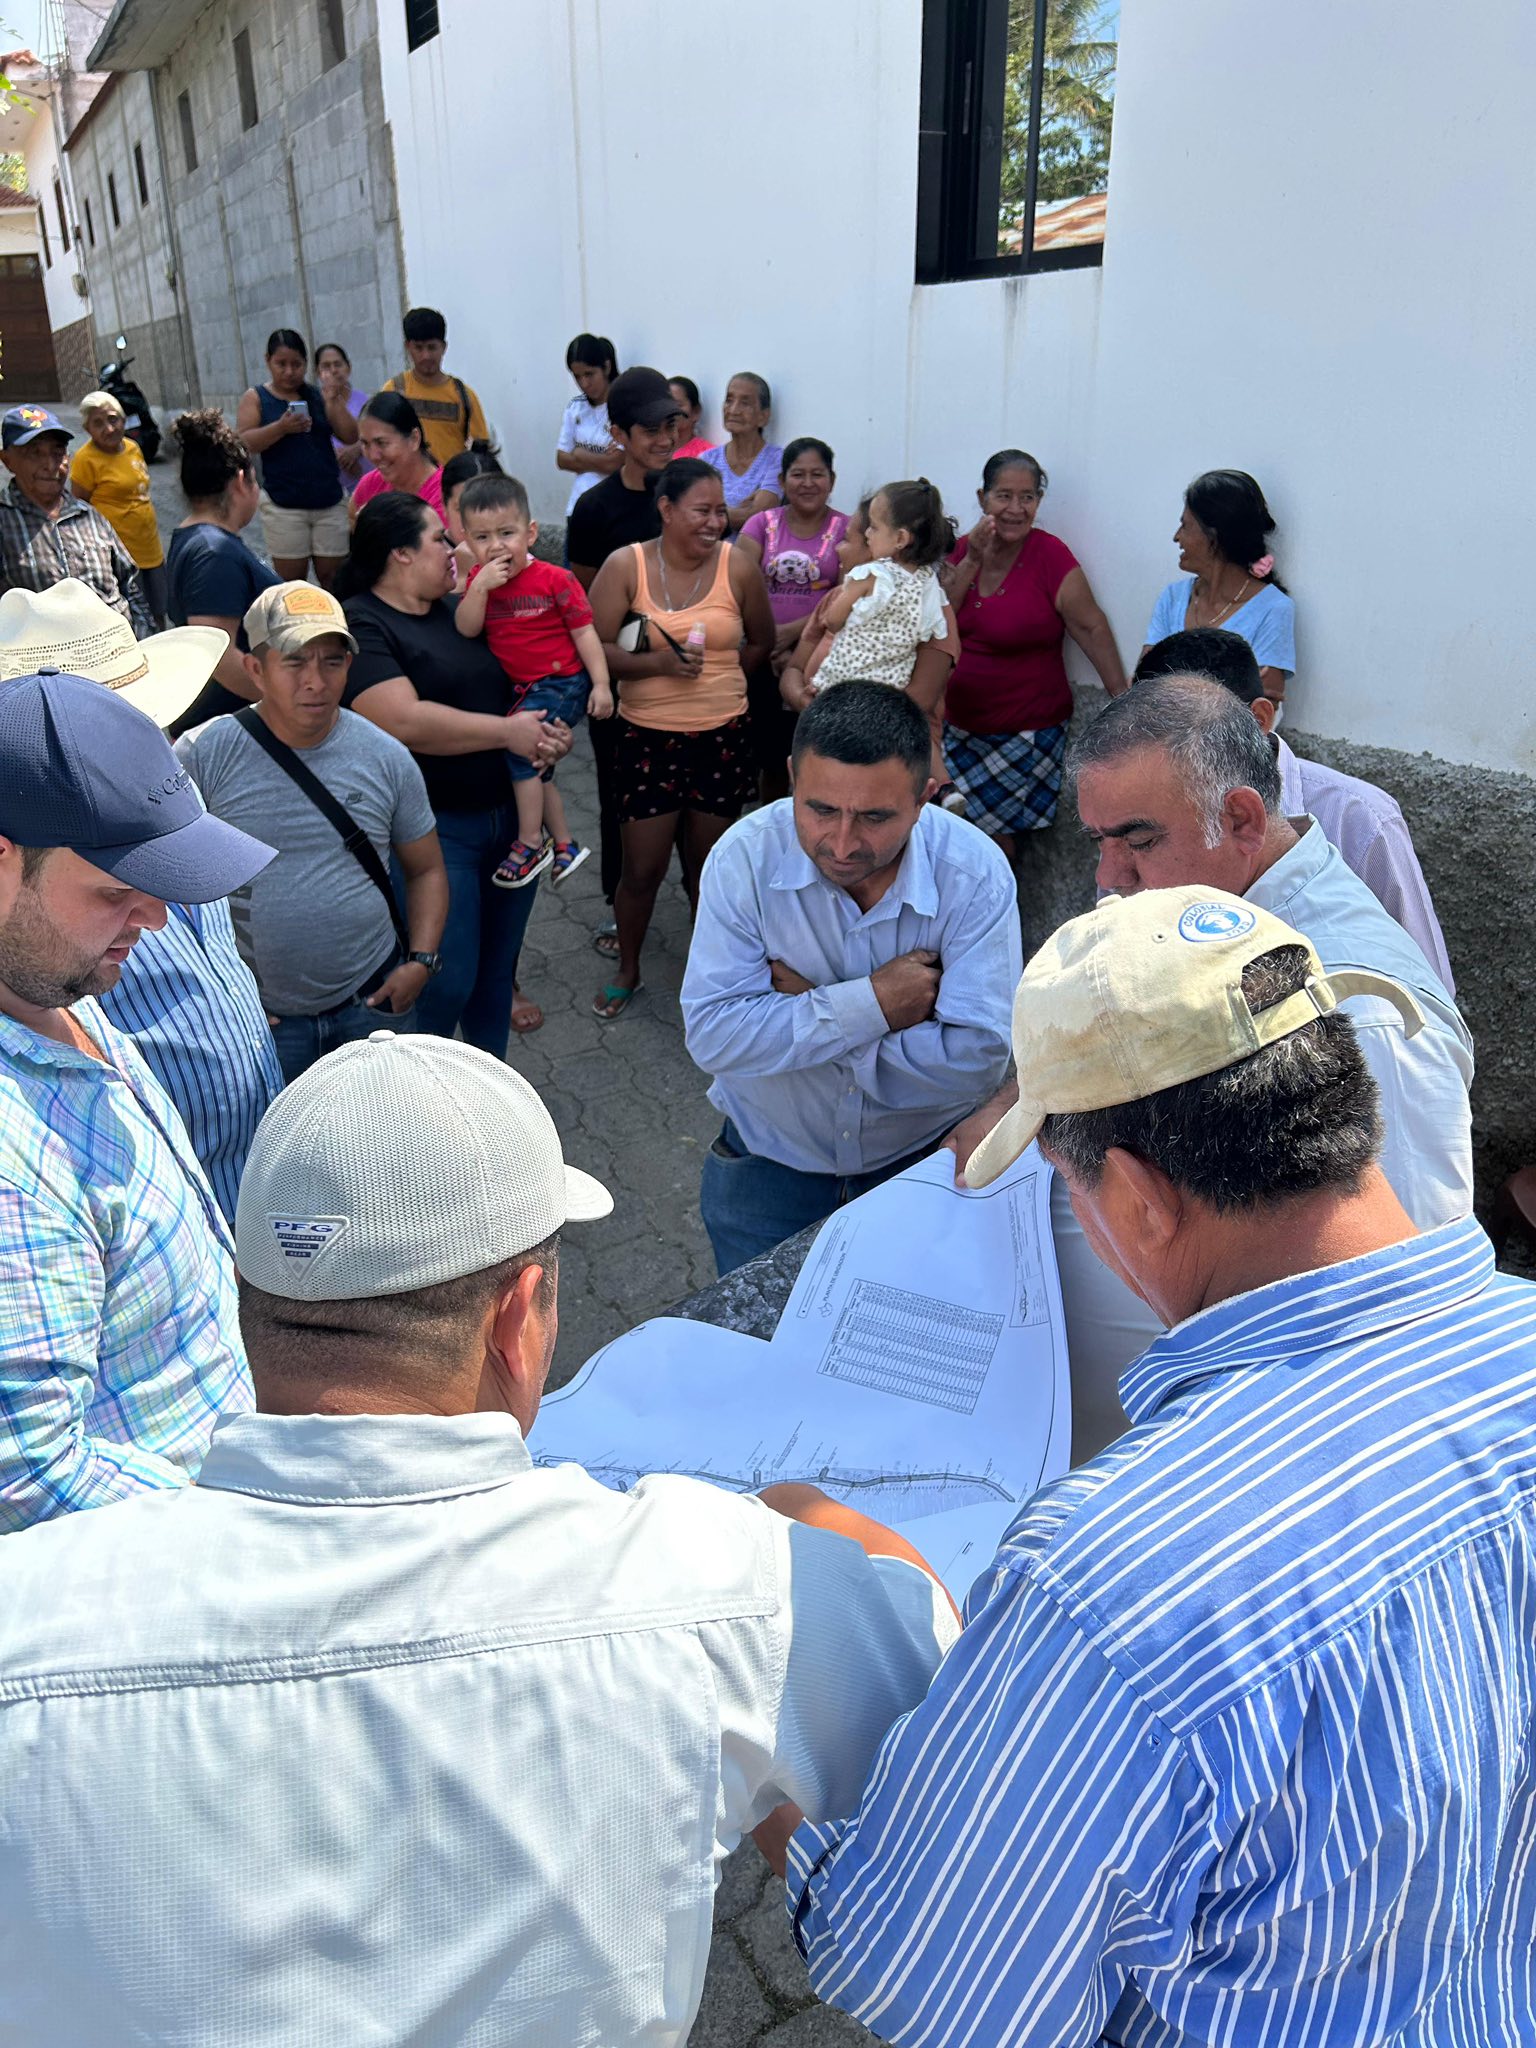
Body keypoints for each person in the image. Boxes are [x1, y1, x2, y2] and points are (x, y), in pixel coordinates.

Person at [0, 1030, 956, 2044]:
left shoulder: (28, 1614)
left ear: (251, 1311)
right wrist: (816, 1524)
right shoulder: (738, 1591)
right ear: (518, 1319)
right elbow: (951, 1704)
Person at [786, 885, 1536, 2048]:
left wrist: (794, 1782)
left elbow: (936, 1987)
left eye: (1068, 1183)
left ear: (1137, 1196)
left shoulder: (1104, 1580)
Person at [948, 677, 1476, 1460]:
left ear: (1241, 820)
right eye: (1099, 842)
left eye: (1137, 840)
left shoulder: (1358, 1016)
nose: (1109, 876)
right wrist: (1023, 1096)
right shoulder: (1196, 914)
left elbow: (1398, 1301)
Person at [0, 668, 273, 1529]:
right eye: (116, 892)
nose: (154, 921)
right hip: (193, 1564)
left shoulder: (49, 979)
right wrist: (264, 1535)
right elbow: (30, 1477)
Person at [682, 684, 1020, 1274]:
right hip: (764, 1175)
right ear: (792, 778)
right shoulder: (743, 861)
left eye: (874, 817)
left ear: (924, 798)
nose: (841, 843)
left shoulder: (975, 875)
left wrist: (811, 1009)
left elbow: (977, 1059)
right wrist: (877, 1005)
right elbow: (714, 1036)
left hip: (920, 1170)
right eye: (820, 810)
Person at [0, 579, 282, 1225]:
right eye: (115, 886)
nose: (154, 913)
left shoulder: (173, 790)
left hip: (238, 1172)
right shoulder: (40, 955)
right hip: (150, 1183)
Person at [177, 583, 448, 1084]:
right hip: (261, 1021)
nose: (316, 682)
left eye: (332, 662)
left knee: (384, 1126)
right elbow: (168, 888)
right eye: (295, 662)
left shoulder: (386, 757)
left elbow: (427, 869)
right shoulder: (203, 756)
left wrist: (422, 962)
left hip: (373, 1004)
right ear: (255, 670)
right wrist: (219, 991)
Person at [338, 493, 572, 1056]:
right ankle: (427, 1099)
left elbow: (523, 686)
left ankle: (491, 1092)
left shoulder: (460, 610)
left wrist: (549, 732)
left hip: (511, 825)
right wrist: (509, 733)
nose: (455, 548)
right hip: (437, 833)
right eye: (440, 538)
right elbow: (403, 720)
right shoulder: (362, 622)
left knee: (495, 975)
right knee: (448, 982)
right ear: (400, 553)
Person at [1136, 626, 1456, 991]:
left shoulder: (1358, 818)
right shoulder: (1135, 816)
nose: (1162, 759)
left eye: (1183, 737)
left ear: (1258, 720)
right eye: (1144, 738)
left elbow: (1427, 983)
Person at [588, 456, 774, 1020]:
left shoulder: (738, 567)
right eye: (702, 511)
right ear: (666, 510)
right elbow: (594, 648)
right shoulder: (626, 566)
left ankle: (710, 977)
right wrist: (660, 666)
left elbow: (761, 642)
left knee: (708, 870)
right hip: (645, 740)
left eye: (721, 511)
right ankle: (629, 969)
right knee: (641, 870)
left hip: (722, 738)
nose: (716, 522)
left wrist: (721, 682)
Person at [942, 447, 1126, 861]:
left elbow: (1090, 627)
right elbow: (940, 616)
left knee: (992, 842)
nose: (1015, 508)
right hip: (956, 730)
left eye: (1027, 497)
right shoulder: (962, 550)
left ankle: (996, 903)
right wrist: (972, 559)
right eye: (1004, 496)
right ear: (982, 498)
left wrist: (1122, 698)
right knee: (951, 831)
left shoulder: (1050, 556)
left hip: (1024, 735)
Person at [566, 367, 685, 949]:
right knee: (620, 798)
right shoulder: (595, 509)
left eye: (671, 426)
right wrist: (654, 643)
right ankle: (621, 904)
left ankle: (708, 906)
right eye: (650, 430)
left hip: (690, 678)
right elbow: (588, 615)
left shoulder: (689, 493)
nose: (665, 439)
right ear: (618, 434)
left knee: (692, 798)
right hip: (616, 683)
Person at [454, 472, 613, 888]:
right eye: (482, 537)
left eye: (506, 533)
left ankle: (529, 842)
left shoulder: (555, 579)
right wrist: (479, 588)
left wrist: (600, 685)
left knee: (520, 752)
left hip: (561, 683)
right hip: (522, 689)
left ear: (531, 533)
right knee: (537, 767)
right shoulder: (480, 582)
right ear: (467, 542)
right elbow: (467, 628)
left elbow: (585, 633)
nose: (496, 546)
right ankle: (565, 845)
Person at [163, 408, 279, 733]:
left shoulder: (200, 539)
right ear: (242, 481)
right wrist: (283, 702)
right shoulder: (214, 553)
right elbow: (220, 656)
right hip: (231, 724)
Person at [1144, 467, 1295, 707]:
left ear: (1214, 535)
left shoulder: (1272, 609)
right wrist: (1228, 691)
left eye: (1185, 526)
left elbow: (1263, 709)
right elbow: (1143, 687)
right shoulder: (1173, 598)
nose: (1176, 537)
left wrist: (1175, 690)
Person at [0, 404, 152, 636]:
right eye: (35, 454)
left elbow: (129, 585)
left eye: (57, 453)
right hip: (46, 655)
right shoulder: (4, 520)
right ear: (7, 460)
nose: (50, 465)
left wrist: (143, 637)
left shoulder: (89, 516)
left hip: (116, 648)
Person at [235, 327, 358, 588]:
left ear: (306, 364)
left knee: (334, 578)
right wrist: (280, 428)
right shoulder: (256, 398)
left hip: (328, 500)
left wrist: (334, 401)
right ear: (268, 360)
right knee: (292, 583)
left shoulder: (317, 395)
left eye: (297, 364)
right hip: (284, 504)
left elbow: (350, 435)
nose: (289, 372)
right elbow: (244, 443)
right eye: (281, 364)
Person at [808, 476, 953, 694]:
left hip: (843, 682)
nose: (867, 534)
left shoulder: (871, 575)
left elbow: (833, 620)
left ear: (900, 538)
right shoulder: (929, 585)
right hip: (886, 692)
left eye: (874, 527)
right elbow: (933, 630)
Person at [68, 390, 168, 625]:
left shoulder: (133, 448)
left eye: (113, 419)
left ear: (124, 420)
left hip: (150, 549)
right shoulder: (85, 459)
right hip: (118, 557)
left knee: (159, 613)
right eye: (98, 423)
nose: (109, 428)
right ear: (87, 429)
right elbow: (78, 508)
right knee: (131, 619)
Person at [381, 304, 491, 466]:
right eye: (418, 348)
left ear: (444, 347)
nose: (426, 355)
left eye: (432, 347)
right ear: (408, 347)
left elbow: (481, 451)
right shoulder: (393, 391)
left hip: (450, 480)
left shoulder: (464, 396)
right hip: (405, 480)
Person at [699, 371, 783, 532]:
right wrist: (738, 512)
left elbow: (758, 517)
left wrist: (711, 511)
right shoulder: (707, 460)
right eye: (729, 400)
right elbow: (692, 512)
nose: (733, 410)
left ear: (763, 416)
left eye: (745, 403)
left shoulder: (777, 459)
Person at [350, 390, 445, 519]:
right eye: (365, 444)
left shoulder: (445, 496)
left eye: (382, 443)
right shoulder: (370, 485)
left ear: (414, 439)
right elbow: (352, 518)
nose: (373, 456)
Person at [556, 331, 622, 512]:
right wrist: (602, 459)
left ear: (606, 367)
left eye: (589, 374)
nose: (584, 384)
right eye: (577, 377)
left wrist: (580, 454)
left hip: (613, 507)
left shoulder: (623, 406)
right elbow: (561, 459)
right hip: (578, 506)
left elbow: (616, 463)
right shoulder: (575, 407)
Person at [441, 445, 503, 587]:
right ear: (444, 504)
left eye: (487, 508)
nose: (475, 522)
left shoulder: (515, 555)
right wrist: (464, 578)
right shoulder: (429, 561)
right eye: (462, 509)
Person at [315, 341, 371, 492]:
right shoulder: (313, 405)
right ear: (318, 372)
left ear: (348, 367)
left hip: (366, 483)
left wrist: (356, 449)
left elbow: (378, 435)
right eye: (326, 366)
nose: (333, 370)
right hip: (330, 490)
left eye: (338, 364)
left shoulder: (365, 402)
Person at [667, 374, 711, 459]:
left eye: (677, 405)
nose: (670, 410)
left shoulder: (708, 456)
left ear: (695, 411)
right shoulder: (652, 449)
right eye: (666, 405)